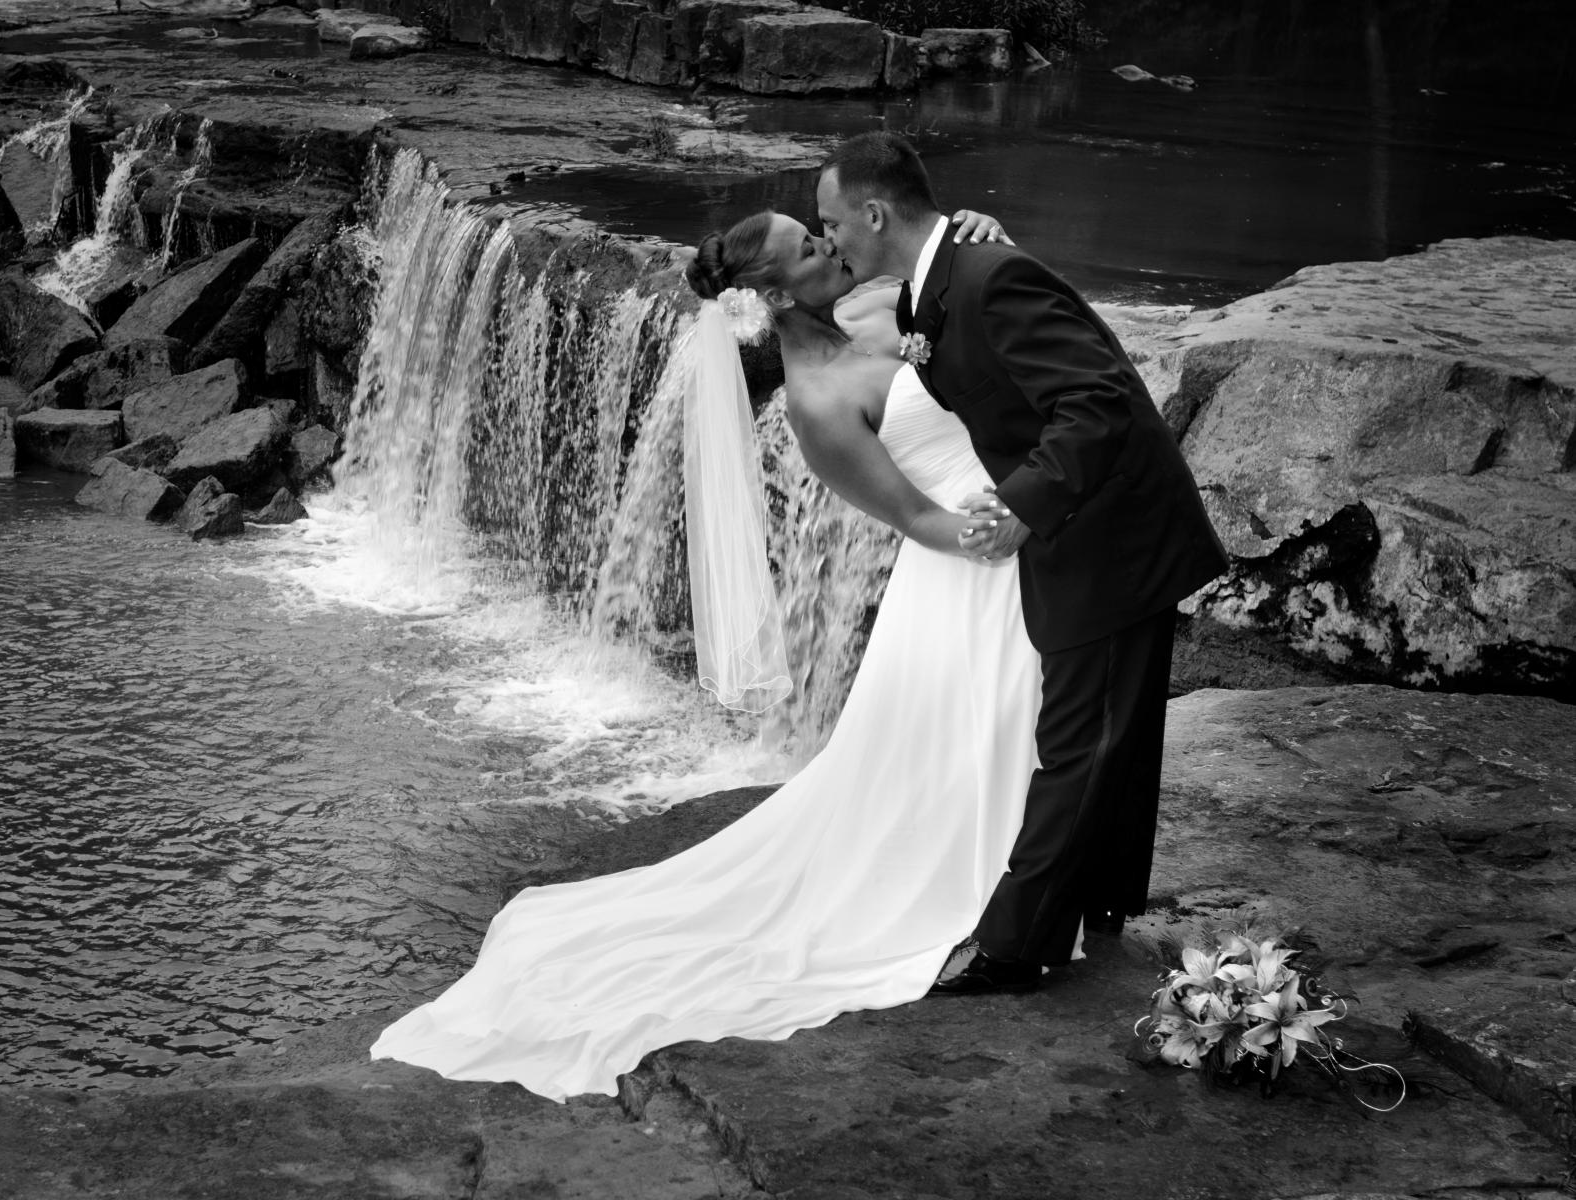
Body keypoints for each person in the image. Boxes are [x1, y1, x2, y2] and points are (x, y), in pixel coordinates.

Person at [370, 202, 1049, 1101]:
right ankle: (989, 891)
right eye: (808, 248)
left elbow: (985, 305)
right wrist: (1013, 527)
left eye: (821, 231)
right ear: (773, 290)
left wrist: (980, 230)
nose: (826, 245)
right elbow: (913, 518)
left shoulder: (886, 297)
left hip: (1010, 531)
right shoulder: (812, 398)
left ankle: (1020, 874)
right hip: (971, 563)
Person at [814, 132, 1227, 995]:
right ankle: (1104, 900)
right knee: (1114, 726)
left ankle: (1016, 947)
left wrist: (1018, 508)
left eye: (832, 221)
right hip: (1083, 522)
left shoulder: (989, 276)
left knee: (1081, 738)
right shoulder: (933, 285)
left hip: (1109, 531)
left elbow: (1097, 403)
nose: (830, 240)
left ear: (875, 212)